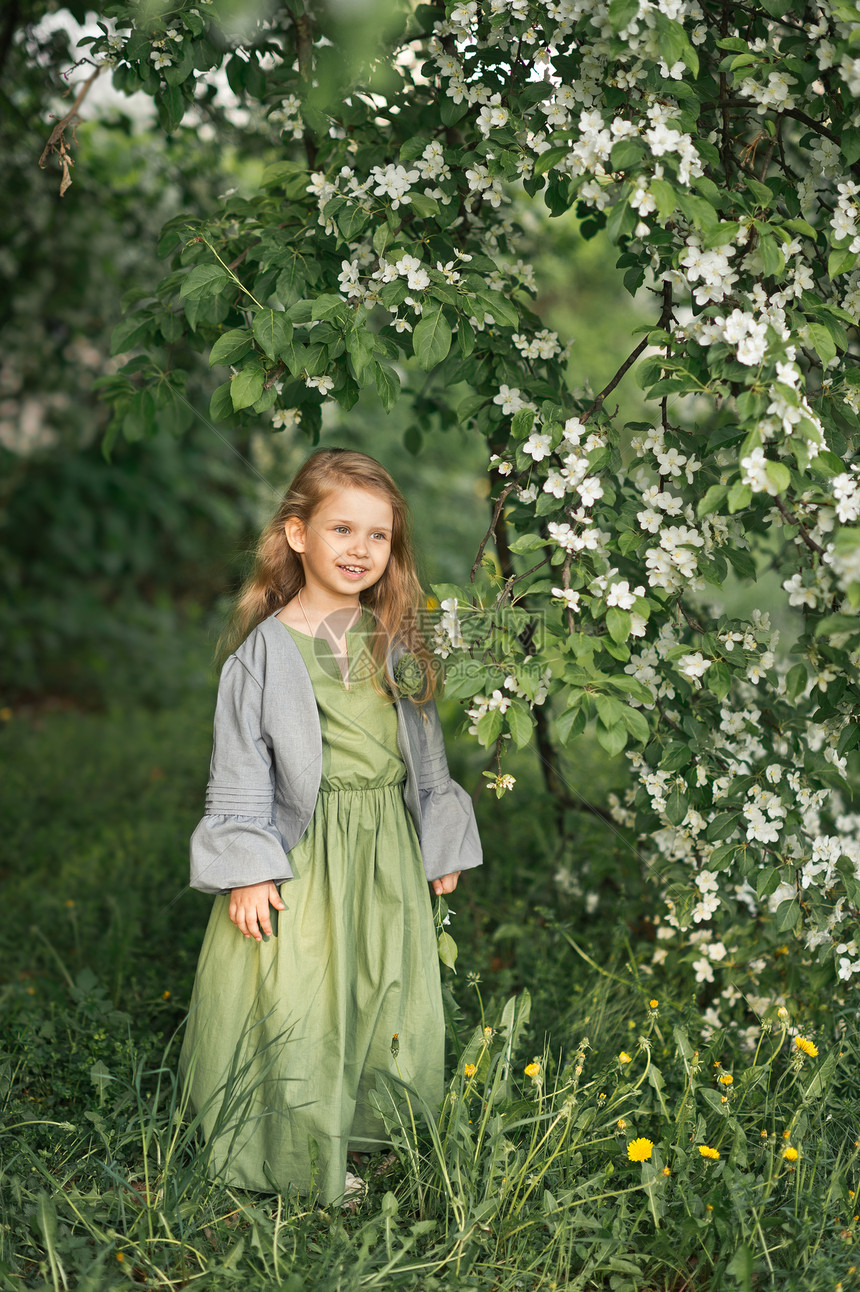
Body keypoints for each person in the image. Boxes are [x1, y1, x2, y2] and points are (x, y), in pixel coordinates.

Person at [179, 447, 483, 1207]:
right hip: (306, 848)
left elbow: (425, 749)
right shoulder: (264, 653)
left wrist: (438, 834)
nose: (359, 549)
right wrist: (249, 865)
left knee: (383, 981)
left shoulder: (395, 638)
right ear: (296, 535)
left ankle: (370, 1129)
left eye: (377, 536)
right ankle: (296, 1148)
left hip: (385, 840)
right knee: (305, 992)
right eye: (341, 529)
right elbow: (241, 766)